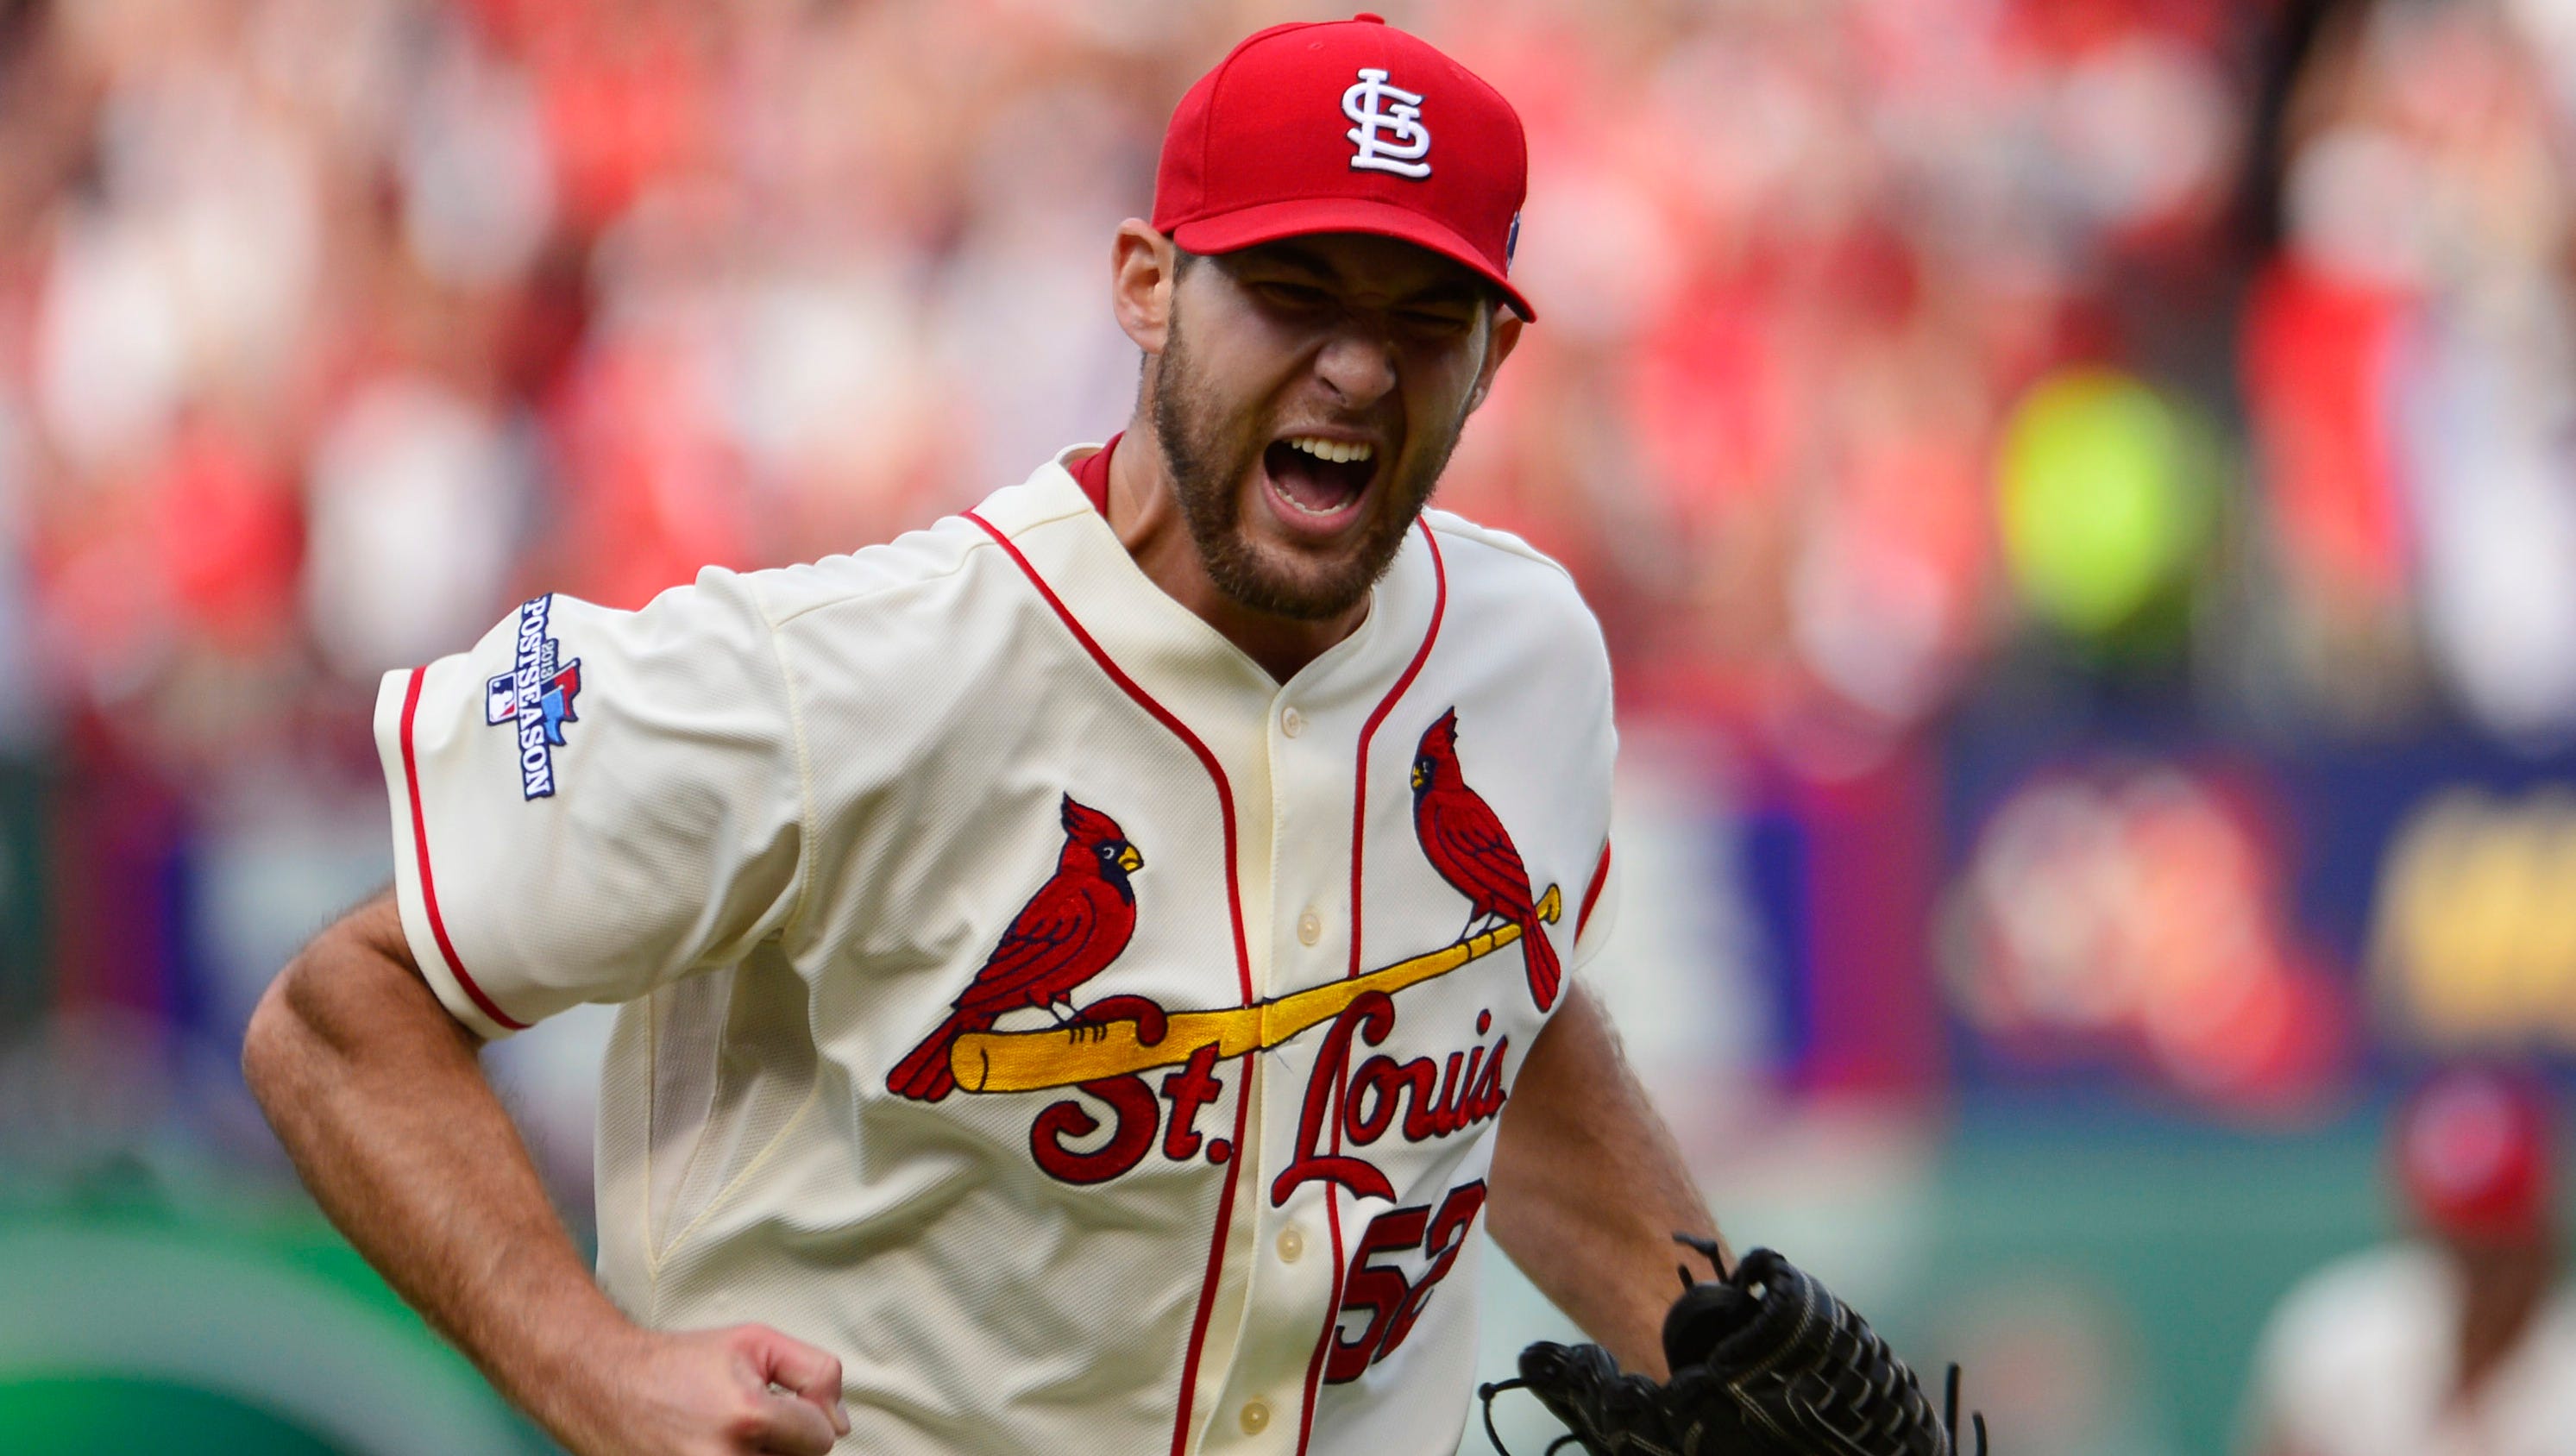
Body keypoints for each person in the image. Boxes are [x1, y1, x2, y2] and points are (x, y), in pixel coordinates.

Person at [243, 16, 1725, 1454]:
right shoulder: (843, 674)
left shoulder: (1528, 656)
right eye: (1292, 291)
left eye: (1423, 316)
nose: (1359, 366)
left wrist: (1714, 1350)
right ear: (1147, 286)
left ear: (1495, 353)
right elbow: (340, 1012)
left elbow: (1493, 1004)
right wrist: (592, 1369)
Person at [2240, 1065, 2576, 1456]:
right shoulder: (2337, 1337)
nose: (2481, 1274)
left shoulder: (2563, 1366)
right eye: (2458, 1246)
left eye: (2497, 1245)